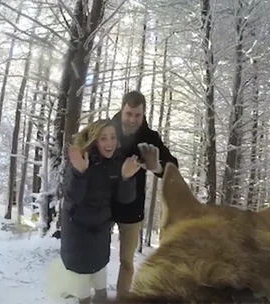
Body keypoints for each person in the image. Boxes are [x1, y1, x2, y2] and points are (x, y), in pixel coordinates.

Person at [45, 119, 141, 304]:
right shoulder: (81, 158)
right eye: (103, 138)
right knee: (83, 293)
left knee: (101, 288)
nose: (110, 143)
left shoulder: (116, 162)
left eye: (112, 137)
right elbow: (72, 198)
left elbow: (124, 199)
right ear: (94, 140)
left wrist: (126, 178)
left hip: (100, 233)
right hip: (78, 235)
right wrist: (79, 173)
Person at [111, 90, 179, 296]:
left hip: (132, 208)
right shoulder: (106, 130)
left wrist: (157, 166)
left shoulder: (150, 137)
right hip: (103, 204)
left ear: (143, 114)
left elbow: (173, 167)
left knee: (126, 261)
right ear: (122, 110)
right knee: (95, 258)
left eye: (137, 115)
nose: (132, 119)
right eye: (129, 114)